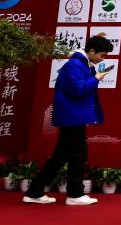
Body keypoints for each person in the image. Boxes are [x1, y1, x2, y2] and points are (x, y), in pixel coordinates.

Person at [23, 36, 114, 206]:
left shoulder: (81, 64)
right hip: (72, 117)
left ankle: (34, 191)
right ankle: (75, 194)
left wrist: (94, 77)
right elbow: (78, 90)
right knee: (78, 155)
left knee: (60, 156)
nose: (103, 59)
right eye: (102, 55)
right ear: (91, 51)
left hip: (72, 116)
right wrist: (96, 78)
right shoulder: (75, 65)